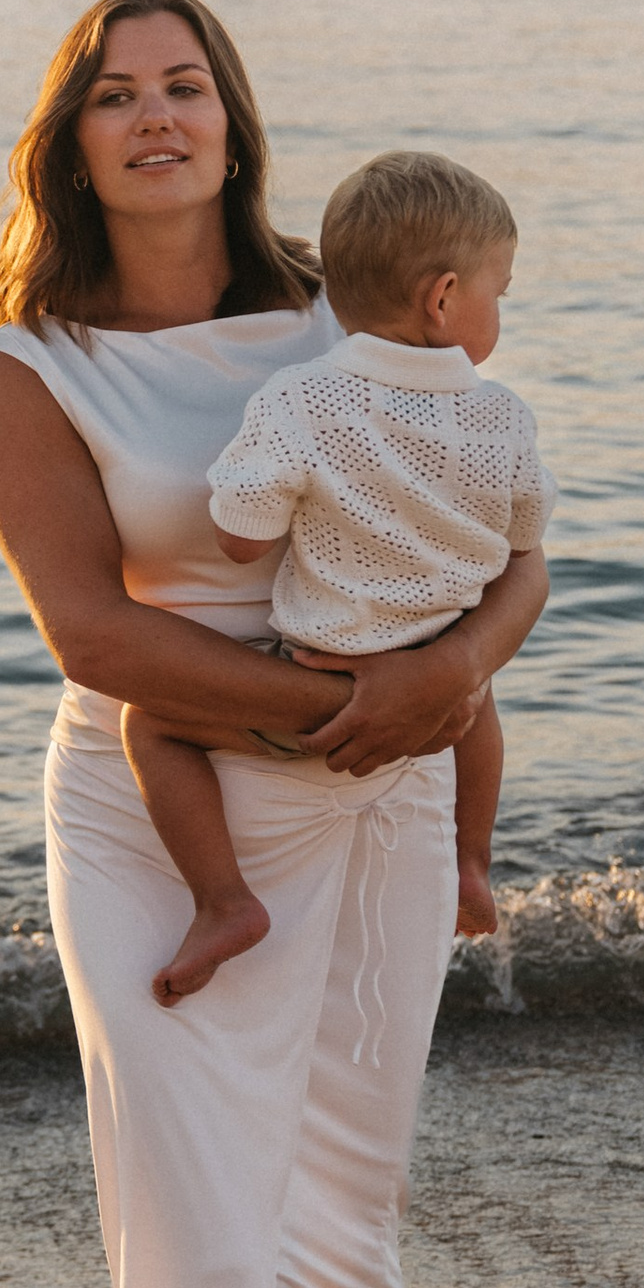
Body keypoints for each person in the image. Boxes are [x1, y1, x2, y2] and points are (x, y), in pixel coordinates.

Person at [0, 0, 548, 1288]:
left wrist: (447, 676)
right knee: (216, 1233)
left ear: (233, 115)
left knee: (332, 1216)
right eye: (118, 95)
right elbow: (94, 631)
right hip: (167, 813)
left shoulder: (346, 303)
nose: (158, 117)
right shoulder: (30, 367)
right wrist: (340, 709)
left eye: (186, 84)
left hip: (370, 804)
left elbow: (507, 536)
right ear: (72, 141)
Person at [119, 148, 552, 1005]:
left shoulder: (300, 398)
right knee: (482, 692)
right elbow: (524, 536)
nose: (499, 308)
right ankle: (470, 862)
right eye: (497, 290)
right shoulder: (503, 414)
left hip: (324, 687)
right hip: (445, 682)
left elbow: (242, 539)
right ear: (443, 297)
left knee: (147, 726)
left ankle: (223, 900)